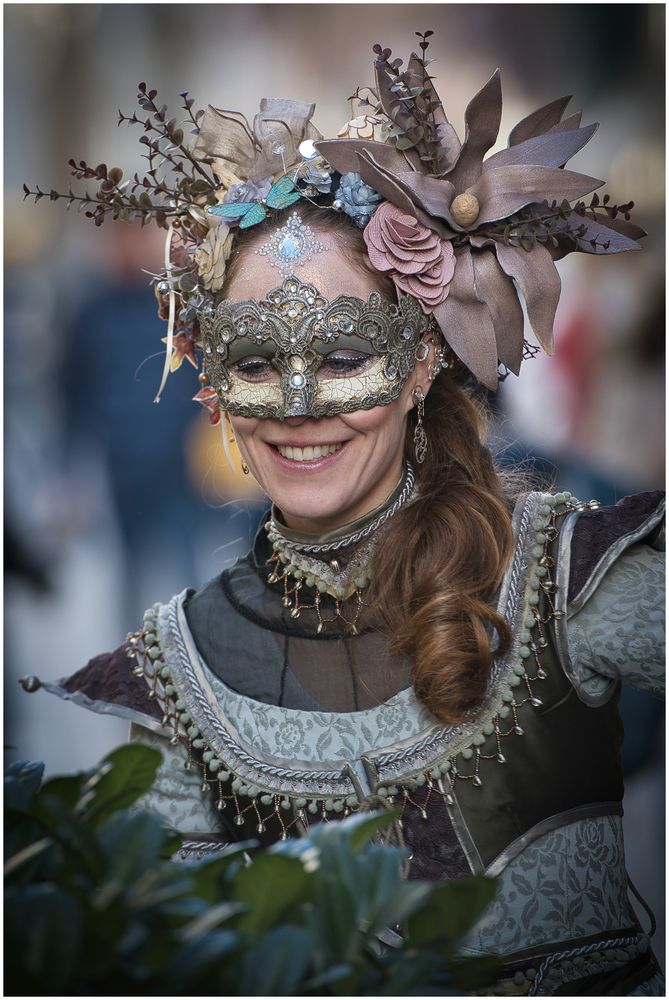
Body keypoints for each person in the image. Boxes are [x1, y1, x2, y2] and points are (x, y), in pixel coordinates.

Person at [21, 35, 664, 996]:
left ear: (416, 368)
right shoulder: (183, 662)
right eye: (251, 362)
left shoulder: (566, 574)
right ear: (214, 388)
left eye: (339, 357)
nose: (296, 406)